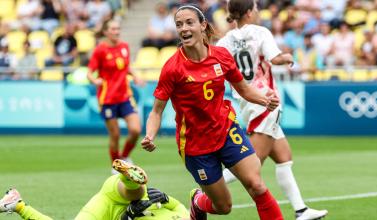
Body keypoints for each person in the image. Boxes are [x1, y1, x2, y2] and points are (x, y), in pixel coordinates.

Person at [141, 4, 283, 220]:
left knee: (256, 185)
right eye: (179, 24)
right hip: (196, 144)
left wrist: (264, 99)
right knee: (224, 207)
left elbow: (243, 89)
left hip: (226, 130)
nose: (183, 28)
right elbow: (156, 111)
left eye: (189, 22)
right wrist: (150, 134)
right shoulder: (172, 68)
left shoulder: (222, 56)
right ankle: (198, 201)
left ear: (202, 25)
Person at [216, 1, 328, 220]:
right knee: (251, 162)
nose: (258, 11)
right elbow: (275, 58)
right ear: (249, 12)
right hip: (267, 102)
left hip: (247, 102)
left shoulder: (224, 41)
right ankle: (206, 188)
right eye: (256, 8)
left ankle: (301, 210)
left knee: (284, 158)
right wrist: (287, 57)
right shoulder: (260, 32)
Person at [0, 159, 189, 220]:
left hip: (119, 212)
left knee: (136, 192)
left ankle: (17, 205)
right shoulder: (185, 217)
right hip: (132, 198)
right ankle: (129, 178)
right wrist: (166, 198)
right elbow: (181, 206)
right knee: (136, 191)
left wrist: (127, 218)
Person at [87, 19, 143, 172]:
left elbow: (126, 67)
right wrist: (95, 80)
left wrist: (136, 75)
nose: (116, 31)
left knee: (136, 130)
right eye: (113, 29)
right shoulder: (100, 50)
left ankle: (124, 157)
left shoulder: (124, 47)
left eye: (118, 28)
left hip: (125, 96)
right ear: (106, 32)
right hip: (107, 99)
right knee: (115, 134)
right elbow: (89, 72)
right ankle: (116, 165)